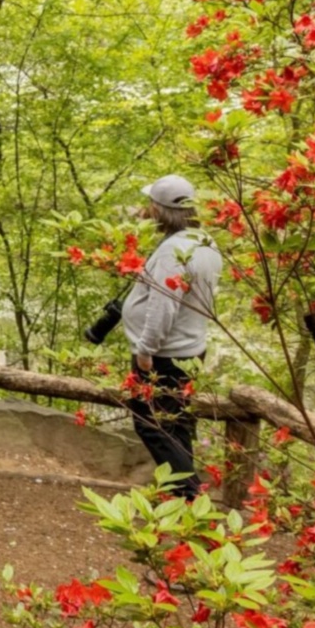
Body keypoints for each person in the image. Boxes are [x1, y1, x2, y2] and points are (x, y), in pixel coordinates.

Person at [122, 174, 222, 499]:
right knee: (176, 426)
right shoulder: (205, 242)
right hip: (191, 351)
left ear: (162, 210)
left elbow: (163, 306)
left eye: (152, 204)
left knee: (150, 424)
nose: (148, 209)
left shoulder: (173, 251)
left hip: (164, 354)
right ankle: (186, 502)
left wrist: (145, 350)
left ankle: (191, 495)